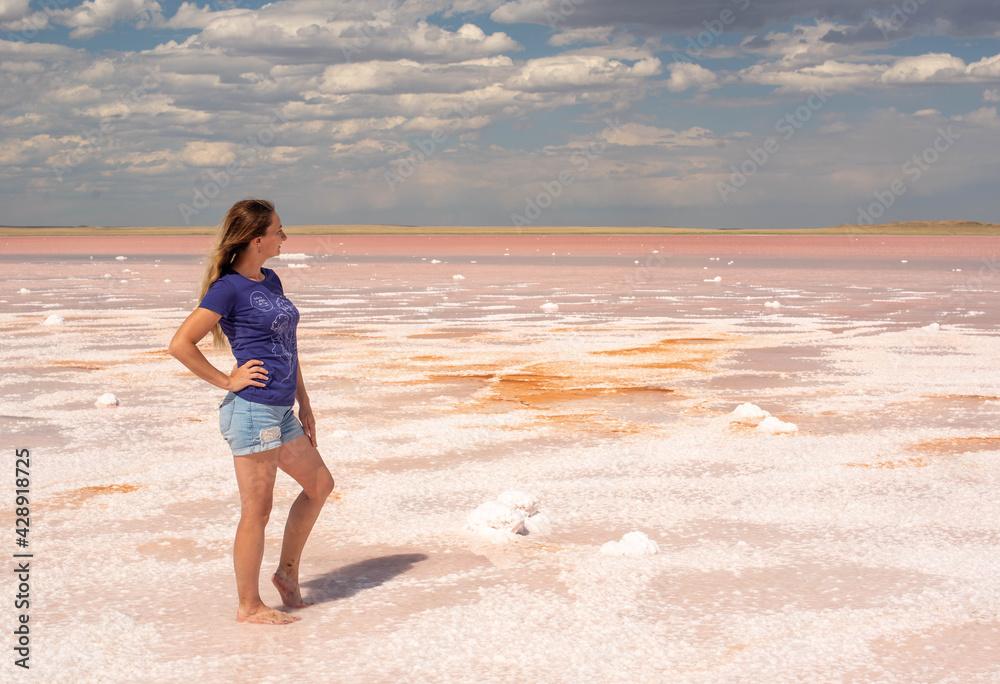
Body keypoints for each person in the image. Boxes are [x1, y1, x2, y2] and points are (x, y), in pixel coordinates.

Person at [168, 198, 334, 625]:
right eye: (279, 230)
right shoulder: (227, 287)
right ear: (257, 239)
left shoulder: (271, 279)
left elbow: (288, 348)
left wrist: (306, 403)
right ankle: (249, 606)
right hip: (252, 411)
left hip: (281, 410)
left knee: (320, 486)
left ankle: (286, 574)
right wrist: (228, 380)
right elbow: (181, 344)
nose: (284, 236)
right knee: (257, 512)